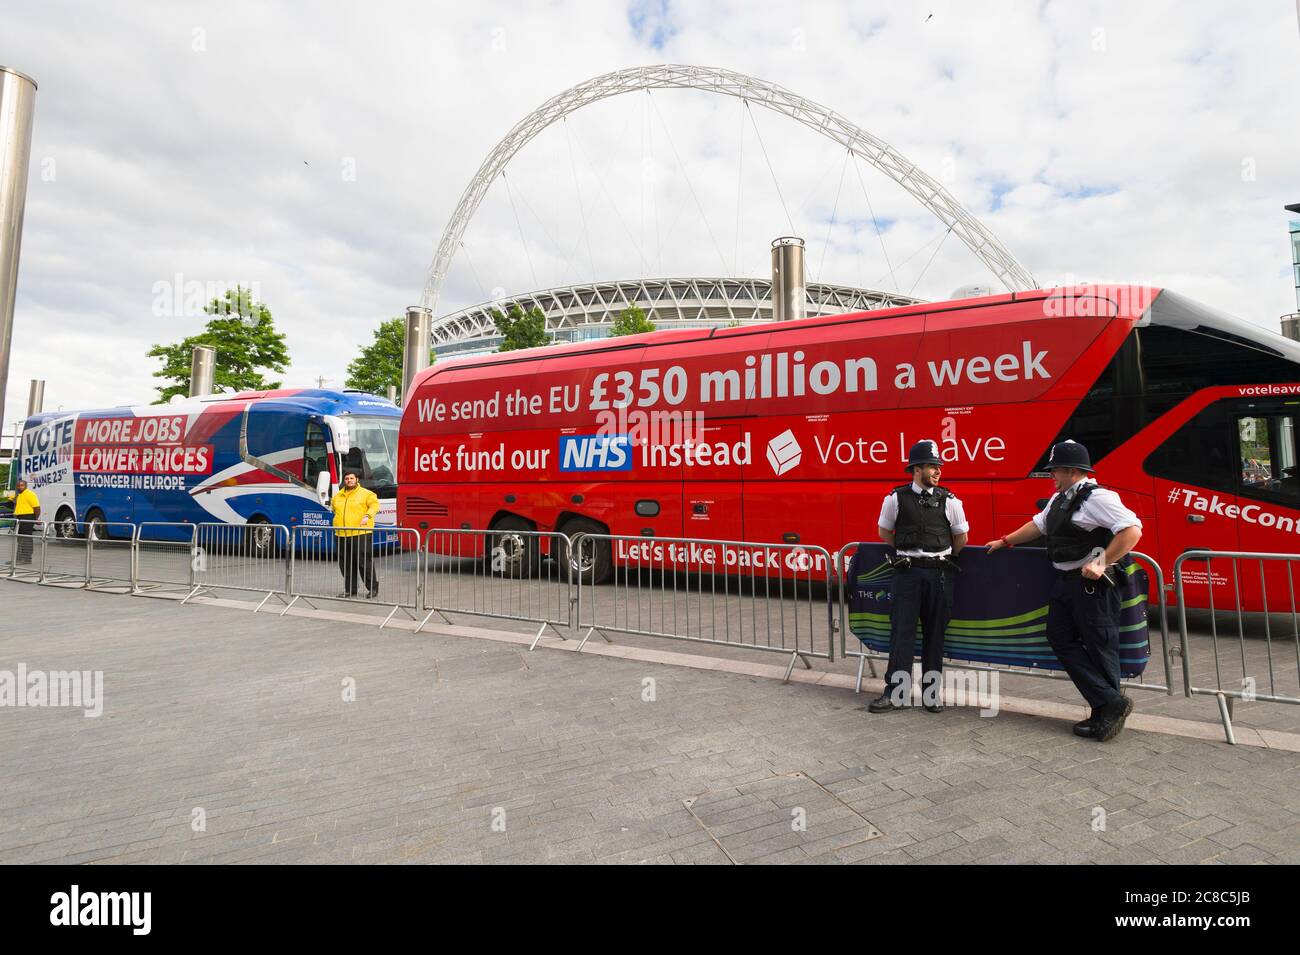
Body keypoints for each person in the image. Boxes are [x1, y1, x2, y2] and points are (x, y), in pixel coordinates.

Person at [986, 440, 1142, 742]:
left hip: (1093, 586)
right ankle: (1109, 702)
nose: (1051, 475)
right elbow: (1037, 526)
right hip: (1067, 583)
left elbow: (1132, 529)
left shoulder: (1097, 498)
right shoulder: (1060, 499)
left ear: (1072, 470)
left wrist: (1102, 562)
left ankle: (1105, 716)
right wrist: (1006, 541)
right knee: (1059, 637)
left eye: (1054, 470)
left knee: (1100, 648)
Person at [868, 440, 969, 714]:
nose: (937, 471)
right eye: (932, 466)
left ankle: (931, 695)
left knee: (935, 636)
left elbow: (961, 537)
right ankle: (896, 694)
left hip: (939, 575)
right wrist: (909, 554)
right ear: (916, 469)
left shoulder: (951, 500)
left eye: (938, 466)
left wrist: (938, 558)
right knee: (902, 634)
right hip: (907, 574)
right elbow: (884, 532)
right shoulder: (895, 498)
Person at [330, 469, 380, 598]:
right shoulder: (337, 496)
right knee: (346, 564)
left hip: (360, 533)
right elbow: (333, 509)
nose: (349, 481)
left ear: (357, 479)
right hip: (341, 534)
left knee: (364, 562)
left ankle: (372, 588)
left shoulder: (367, 494)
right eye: (347, 479)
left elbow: (374, 506)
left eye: (351, 478)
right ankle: (350, 589)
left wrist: (367, 516)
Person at [11, 479, 41, 565]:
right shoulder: (19, 495)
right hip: (19, 518)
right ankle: (18, 559)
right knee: (19, 538)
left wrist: (35, 519)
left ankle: (27, 559)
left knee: (26, 538)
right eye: (19, 485)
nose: (20, 487)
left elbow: (37, 508)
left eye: (22, 485)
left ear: (26, 486)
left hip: (28, 517)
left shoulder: (30, 494)